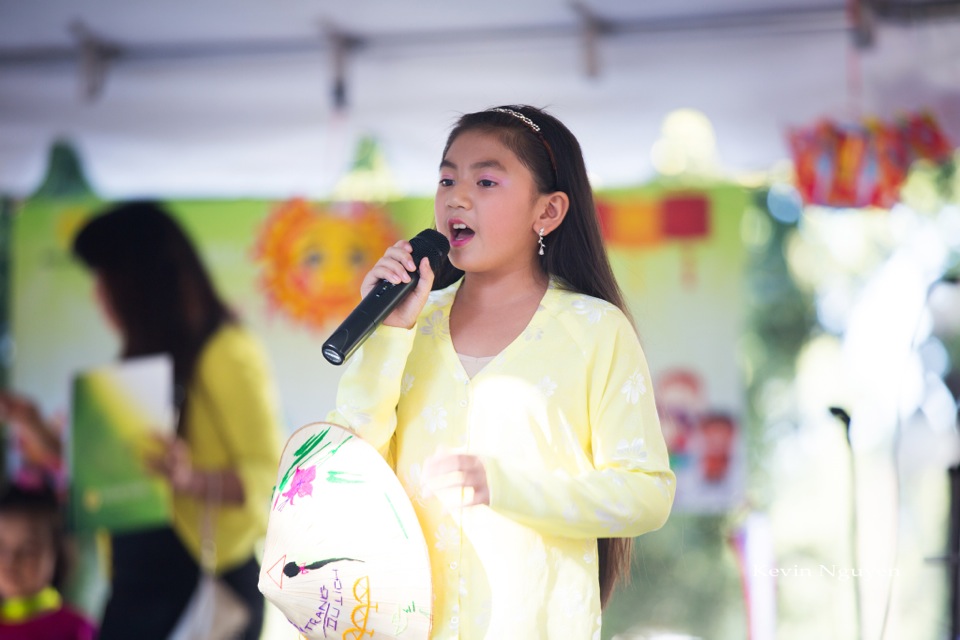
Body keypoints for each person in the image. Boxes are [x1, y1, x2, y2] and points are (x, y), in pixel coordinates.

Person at [328, 105, 675, 639]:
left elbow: (647, 494)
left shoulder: (594, 330)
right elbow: (349, 464)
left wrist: (505, 487)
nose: (456, 197)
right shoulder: (410, 326)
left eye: (485, 180)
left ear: (549, 211)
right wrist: (388, 332)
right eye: (447, 179)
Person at [3, 202, 284, 639]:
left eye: (106, 279)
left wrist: (193, 479)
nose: (98, 295)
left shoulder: (225, 350)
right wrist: (36, 428)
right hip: (139, 584)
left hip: (204, 590)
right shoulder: (138, 361)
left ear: (141, 282)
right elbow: (115, 474)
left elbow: (273, 479)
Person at [0, 481, 97, 639]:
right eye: (1, 548)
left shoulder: (75, 627)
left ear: (56, 553)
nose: (10, 560)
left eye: (28, 549)